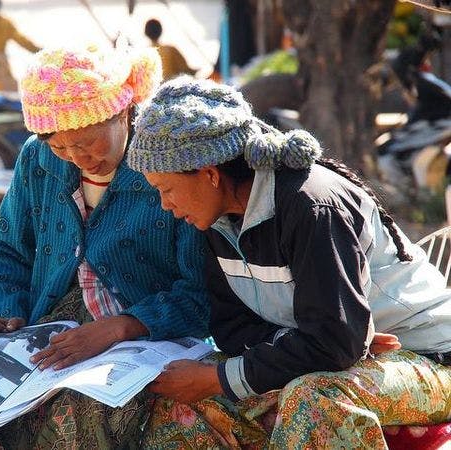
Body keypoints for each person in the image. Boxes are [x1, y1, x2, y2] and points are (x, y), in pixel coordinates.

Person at [127, 77, 451, 449]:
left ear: (210, 175)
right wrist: (306, 342)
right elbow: (232, 327)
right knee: (178, 403)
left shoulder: (310, 206)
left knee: (315, 399)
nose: (165, 205)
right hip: (349, 357)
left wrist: (222, 378)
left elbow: (334, 343)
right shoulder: (215, 221)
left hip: (430, 358)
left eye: (166, 190)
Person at [0, 47, 210, 450]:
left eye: (88, 142)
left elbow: (202, 292)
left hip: (144, 335)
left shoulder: (166, 164)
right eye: (60, 148)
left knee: (79, 404)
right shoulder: (37, 160)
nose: (77, 158)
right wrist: (7, 314)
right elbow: (5, 251)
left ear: (122, 113)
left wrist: (123, 325)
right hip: (48, 329)